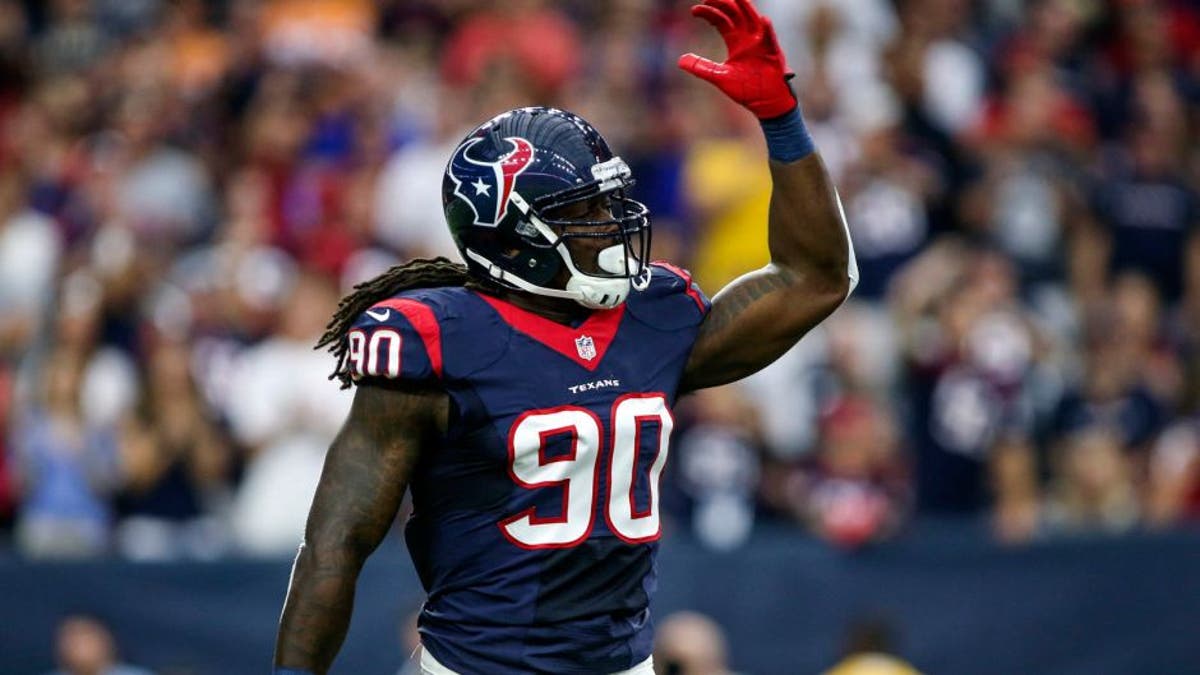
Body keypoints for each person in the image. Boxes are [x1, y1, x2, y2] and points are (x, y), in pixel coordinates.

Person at [273, 1, 857, 673]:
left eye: (608, 202)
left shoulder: (653, 314)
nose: (610, 223)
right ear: (511, 237)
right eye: (582, 211)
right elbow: (335, 542)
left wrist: (781, 122)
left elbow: (816, 277)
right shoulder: (438, 341)